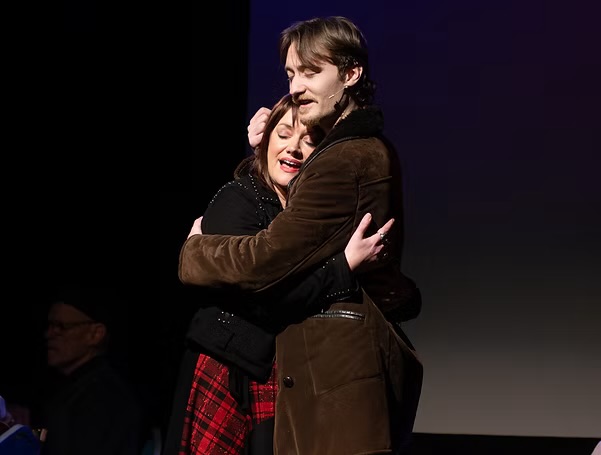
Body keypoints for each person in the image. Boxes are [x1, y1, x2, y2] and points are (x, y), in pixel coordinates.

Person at [178, 16, 423, 455]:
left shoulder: (342, 159)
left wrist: (194, 252)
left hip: (322, 371)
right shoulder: (248, 193)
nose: (296, 86)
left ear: (351, 74)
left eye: (311, 72)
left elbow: (265, 261)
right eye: (291, 74)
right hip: (244, 366)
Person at [163, 93, 393, 455]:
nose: (294, 148)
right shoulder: (239, 198)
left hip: (283, 373)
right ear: (264, 140)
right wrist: (343, 267)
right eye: (283, 134)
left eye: (310, 141)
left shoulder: (306, 217)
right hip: (228, 367)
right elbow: (266, 298)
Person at [30, 285, 148, 455]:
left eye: (61, 327)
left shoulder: (104, 398)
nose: (49, 334)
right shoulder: (70, 388)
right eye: (50, 325)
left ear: (96, 334)